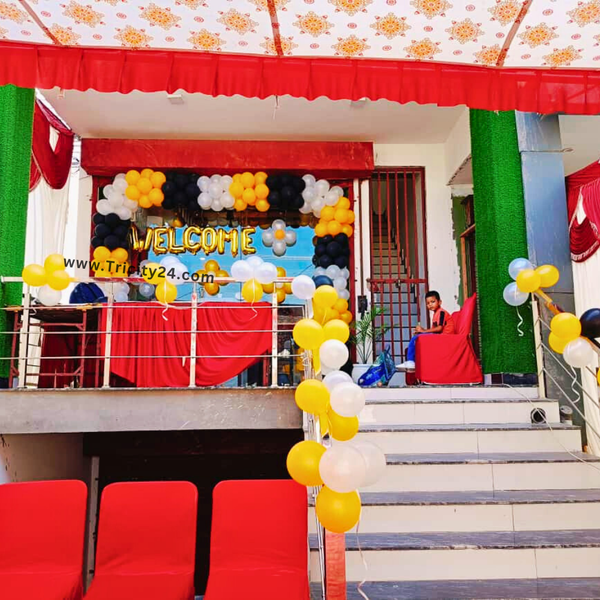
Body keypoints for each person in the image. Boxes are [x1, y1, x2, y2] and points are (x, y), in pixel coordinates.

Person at [397, 290, 455, 372]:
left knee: (416, 338)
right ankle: (415, 362)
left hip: (445, 337)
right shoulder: (436, 313)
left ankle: (411, 361)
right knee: (418, 337)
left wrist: (424, 331)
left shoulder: (441, 313)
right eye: (428, 303)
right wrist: (423, 331)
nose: (430, 304)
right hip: (440, 336)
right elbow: (434, 331)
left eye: (433, 302)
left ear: (440, 302)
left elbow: (439, 328)